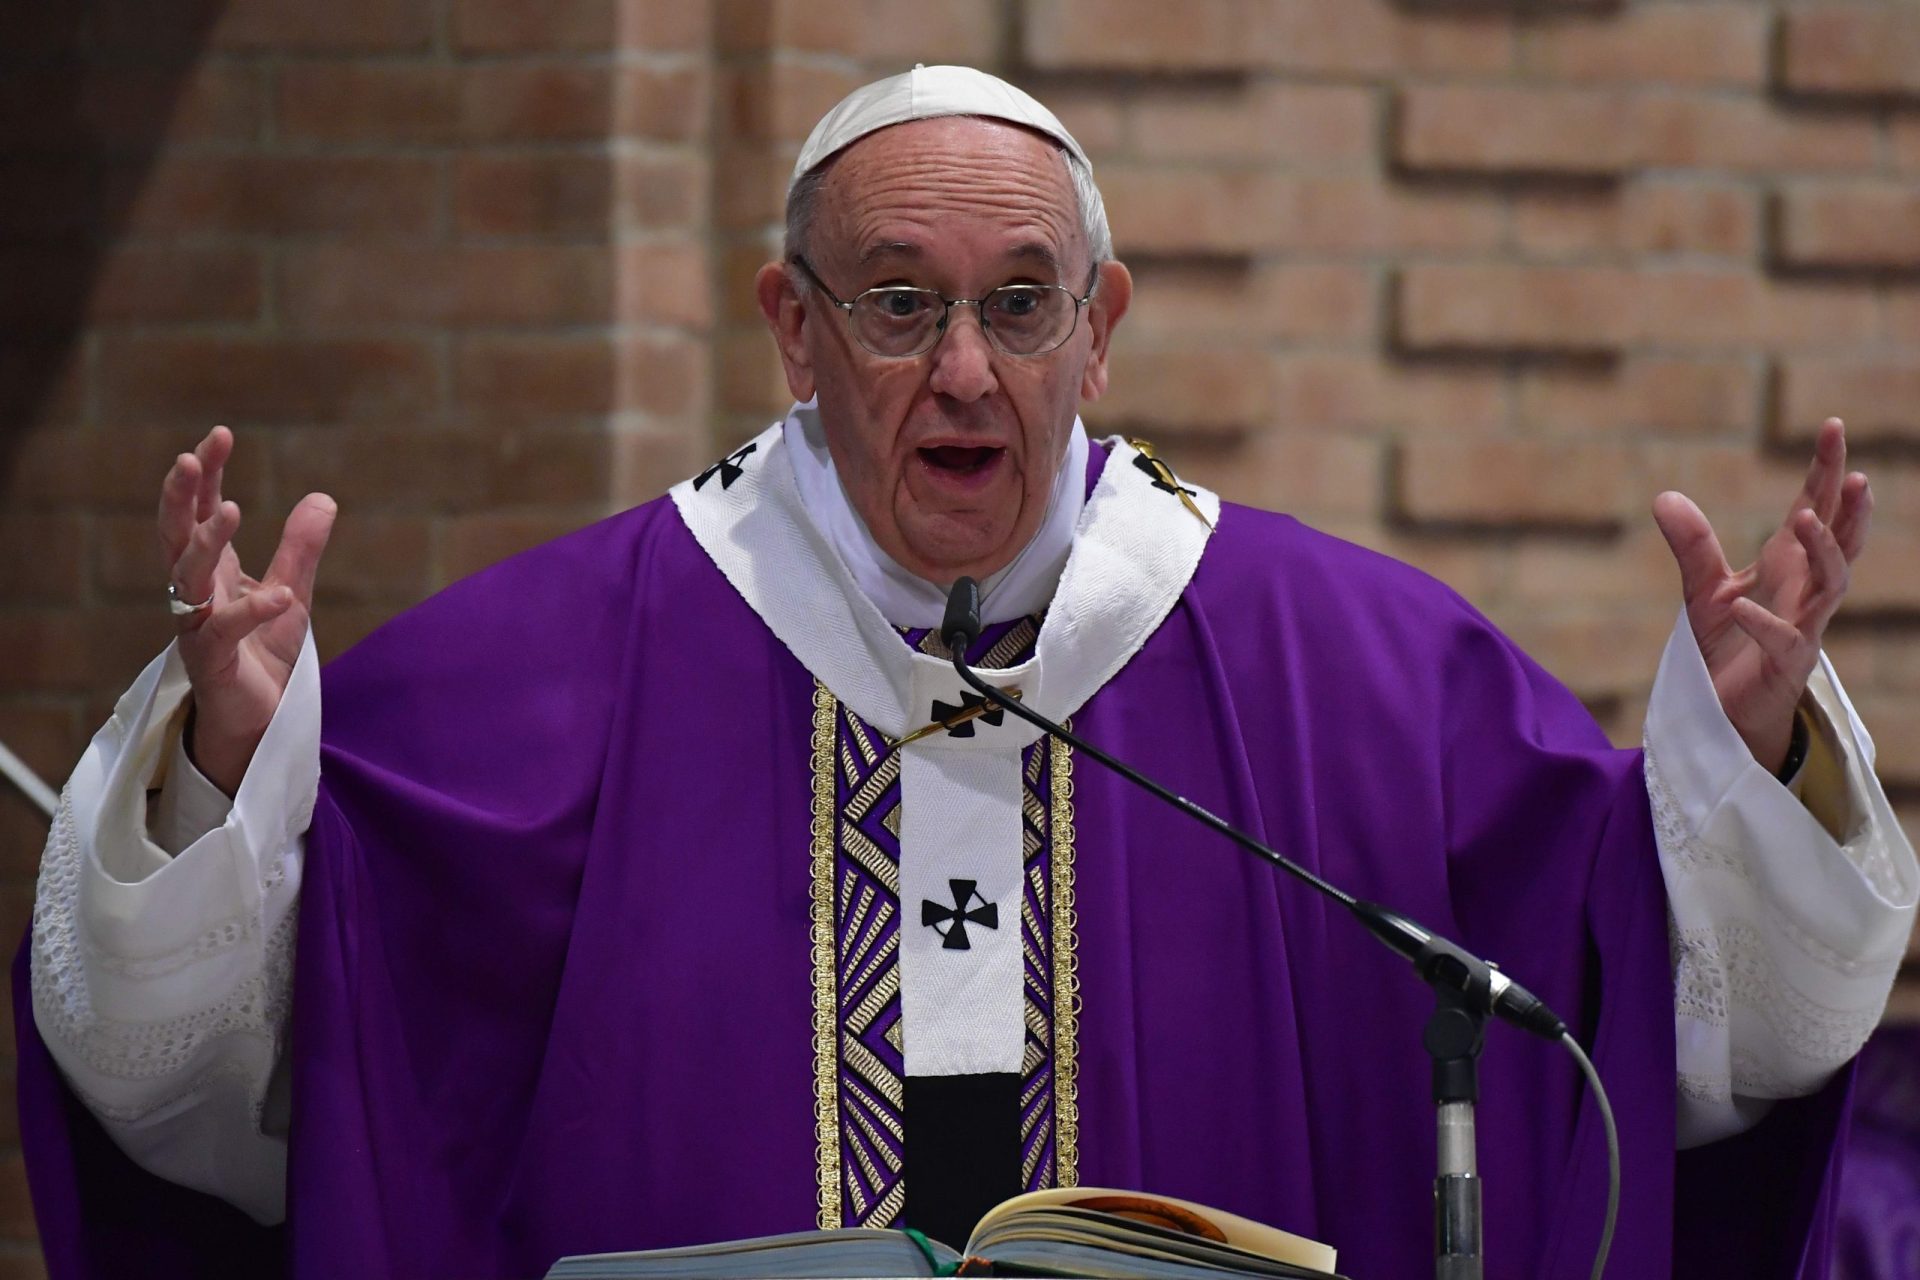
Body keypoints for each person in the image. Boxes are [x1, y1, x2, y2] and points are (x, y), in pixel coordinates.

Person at [17, 65, 1915, 1279]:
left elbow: (1628, 1008)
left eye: (1021, 305)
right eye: (900, 301)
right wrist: (220, 772)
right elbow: (249, 1069)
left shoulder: (1359, 674)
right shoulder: (554, 674)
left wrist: (1748, 765)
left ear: (1099, 325)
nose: (965, 371)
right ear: (791, 325)